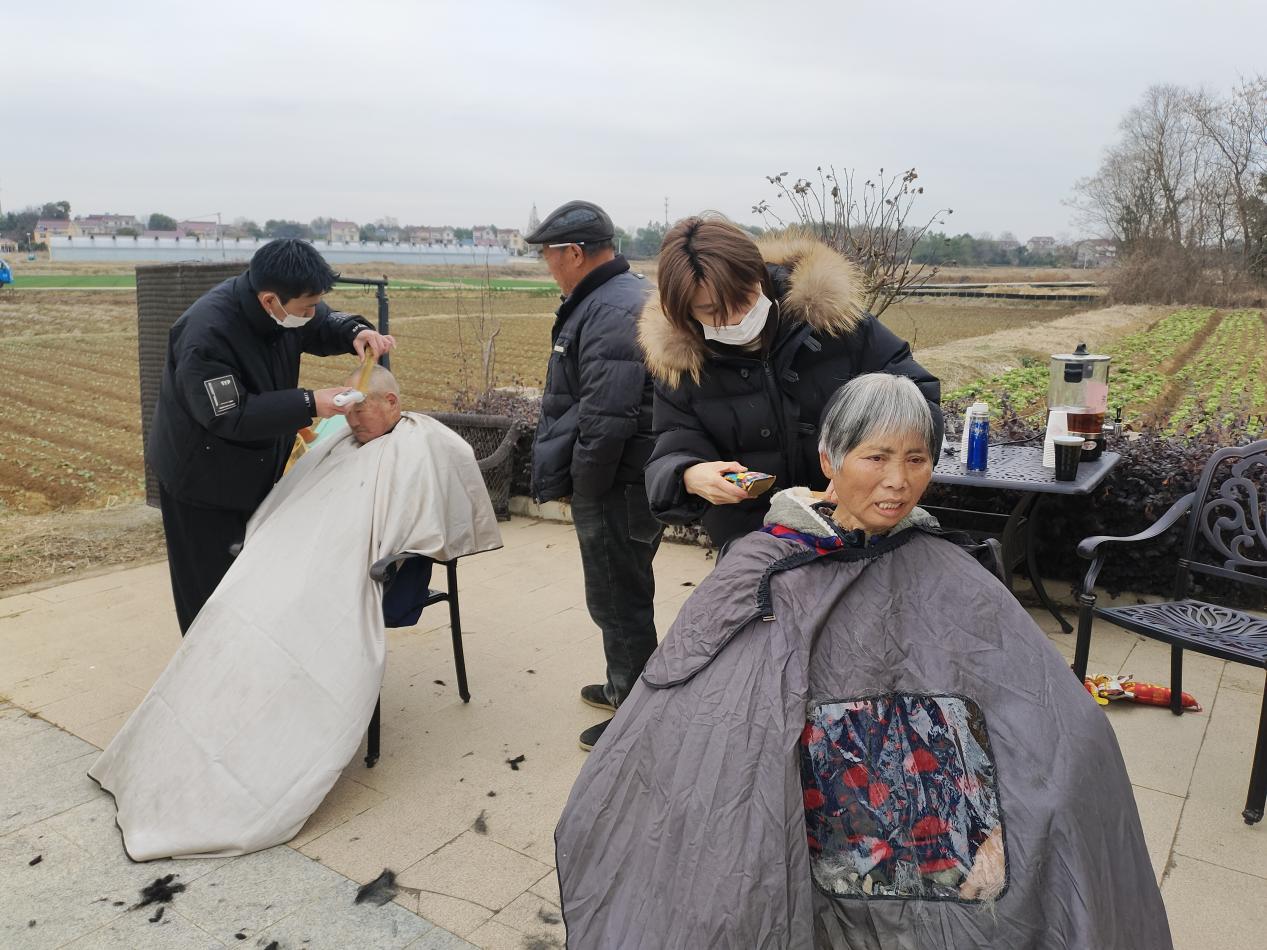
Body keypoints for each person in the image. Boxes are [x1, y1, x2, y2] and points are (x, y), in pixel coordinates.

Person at [556, 374, 1173, 949]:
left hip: (934, 804)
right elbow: (702, 718)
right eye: (876, 457)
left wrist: (1021, 803)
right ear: (829, 461)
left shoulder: (942, 563)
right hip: (819, 804)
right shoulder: (762, 566)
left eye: (916, 459)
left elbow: (1038, 706)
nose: (898, 481)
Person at [91, 368, 503, 860]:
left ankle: (262, 747)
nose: (351, 422)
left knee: (287, 627)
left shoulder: (423, 444)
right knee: (230, 610)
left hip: (349, 572)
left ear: (392, 403)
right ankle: (215, 727)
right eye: (346, 412)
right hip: (294, 557)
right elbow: (295, 499)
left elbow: (425, 523)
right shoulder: (342, 444)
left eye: (360, 410)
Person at [639, 215, 941, 553]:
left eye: (743, 298)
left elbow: (918, 396)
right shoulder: (682, 365)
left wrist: (865, 474)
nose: (735, 319)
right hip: (755, 543)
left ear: (759, 275)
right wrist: (688, 474)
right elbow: (672, 444)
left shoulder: (833, 322)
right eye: (711, 311)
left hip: (855, 529)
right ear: (685, 313)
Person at [147, 238, 395, 634]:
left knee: (255, 577)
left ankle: (256, 654)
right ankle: (209, 663)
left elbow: (320, 322)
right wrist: (309, 402)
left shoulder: (284, 308)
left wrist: (354, 331)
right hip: (202, 478)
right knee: (210, 590)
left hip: (256, 465)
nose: (311, 313)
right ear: (269, 301)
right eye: (305, 307)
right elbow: (231, 414)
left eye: (314, 303)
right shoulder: (207, 335)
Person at [525, 200, 660, 751]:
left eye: (549, 255)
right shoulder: (619, 296)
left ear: (575, 253)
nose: (547, 266)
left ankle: (636, 716)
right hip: (630, 477)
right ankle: (622, 684)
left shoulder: (608, 309)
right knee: (625, 586)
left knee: (616, 597)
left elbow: (606, 421)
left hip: (617, 482)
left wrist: (584, 485)